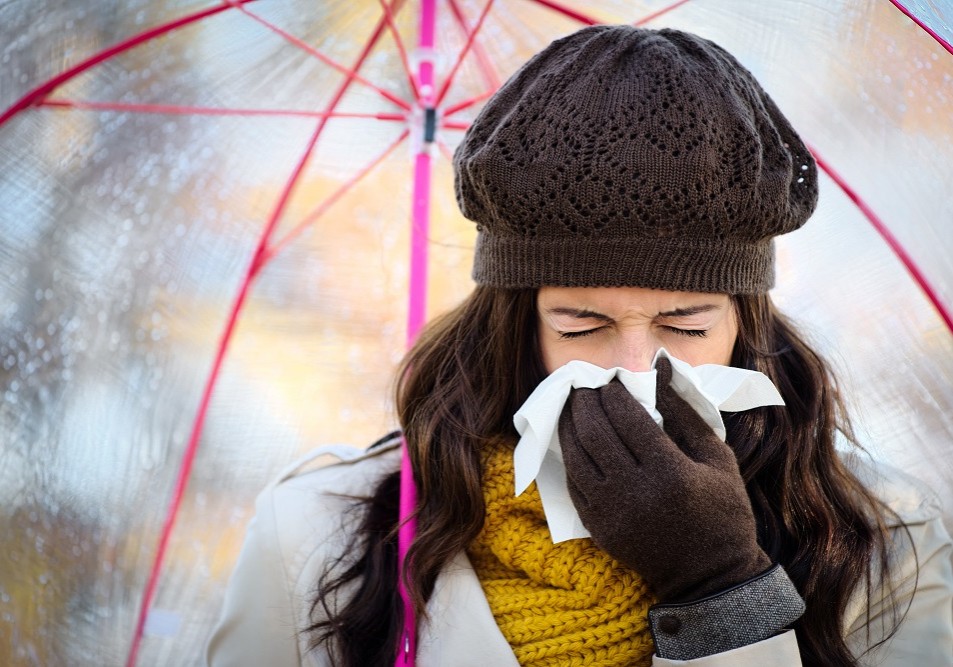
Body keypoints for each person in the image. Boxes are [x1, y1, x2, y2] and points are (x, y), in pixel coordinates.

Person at [206, 24, 953, 666]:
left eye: (685, 325)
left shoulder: (881, 538)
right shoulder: (316, 532)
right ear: (514, 326)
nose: (634, 368)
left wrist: (723, 589)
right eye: (581, 325)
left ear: (745, 325)